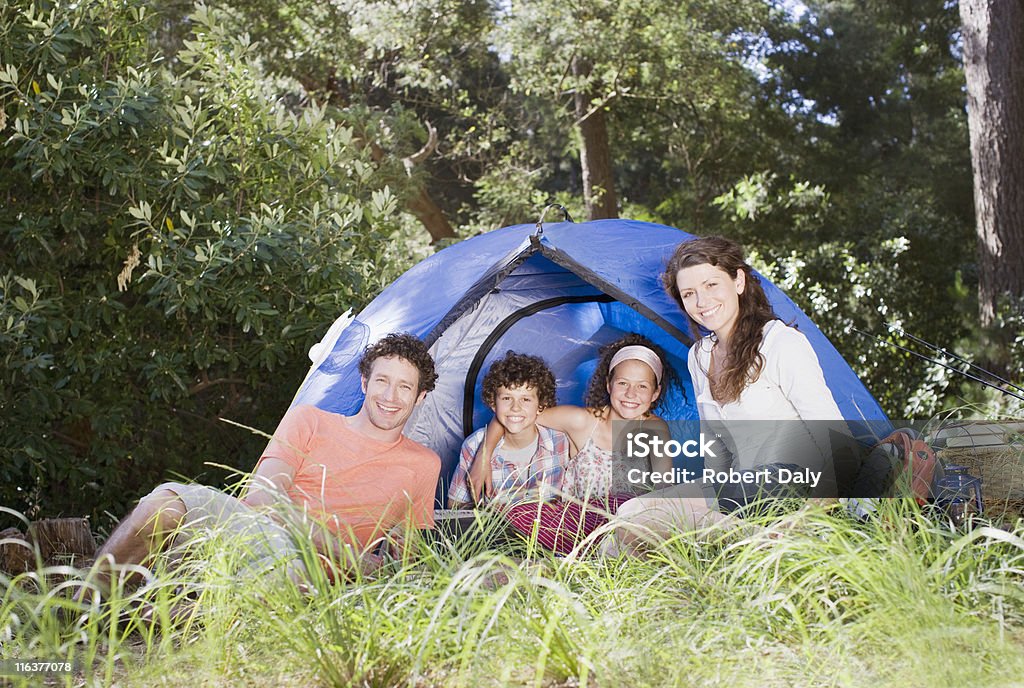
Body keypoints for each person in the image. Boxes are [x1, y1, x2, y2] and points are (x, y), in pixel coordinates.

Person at [88, 332, 441, 590]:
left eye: (405, 387)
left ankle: (171, 606)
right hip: (251, 533)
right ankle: (80, 606)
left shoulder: (423, 464)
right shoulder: (310, 420)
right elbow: (262, 498)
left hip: (309, 575)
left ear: (420, 397)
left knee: (288, 576)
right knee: (164, 503)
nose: (390, 397)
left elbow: (403, 559)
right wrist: (351, 556)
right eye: (382, 381)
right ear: (364, 383)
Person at [605, 236, 847, 553]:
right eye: (689, 294)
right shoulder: (700, 356)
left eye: (711, 285)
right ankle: (727, 554)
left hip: (792, 490)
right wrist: (710, 506)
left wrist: (814, 511)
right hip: (736, 493)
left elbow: (836, 436)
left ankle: (758, 544)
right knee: (625, 522)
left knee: (640, 522)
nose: (702, 302)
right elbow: (716, 450)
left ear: (738, 281)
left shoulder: (780, 343)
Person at [468, 334, 674, 554]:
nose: (631, 394)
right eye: (623, 383)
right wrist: (483, 456)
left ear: (655, 393)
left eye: (642, 386)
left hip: (627, 533)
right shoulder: (581, 421)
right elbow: (516, 415)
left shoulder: (656, 429)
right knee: (519, 511)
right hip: (576, 530)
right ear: (608, 384)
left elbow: (664, 493)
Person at [448, 352, 568, 509]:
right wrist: (486, 512)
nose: (515, 408)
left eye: (525, 399)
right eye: (506, 398)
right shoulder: (474, 445)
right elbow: (454, 506)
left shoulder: (560, 441)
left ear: (541, 406)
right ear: (493, 403)